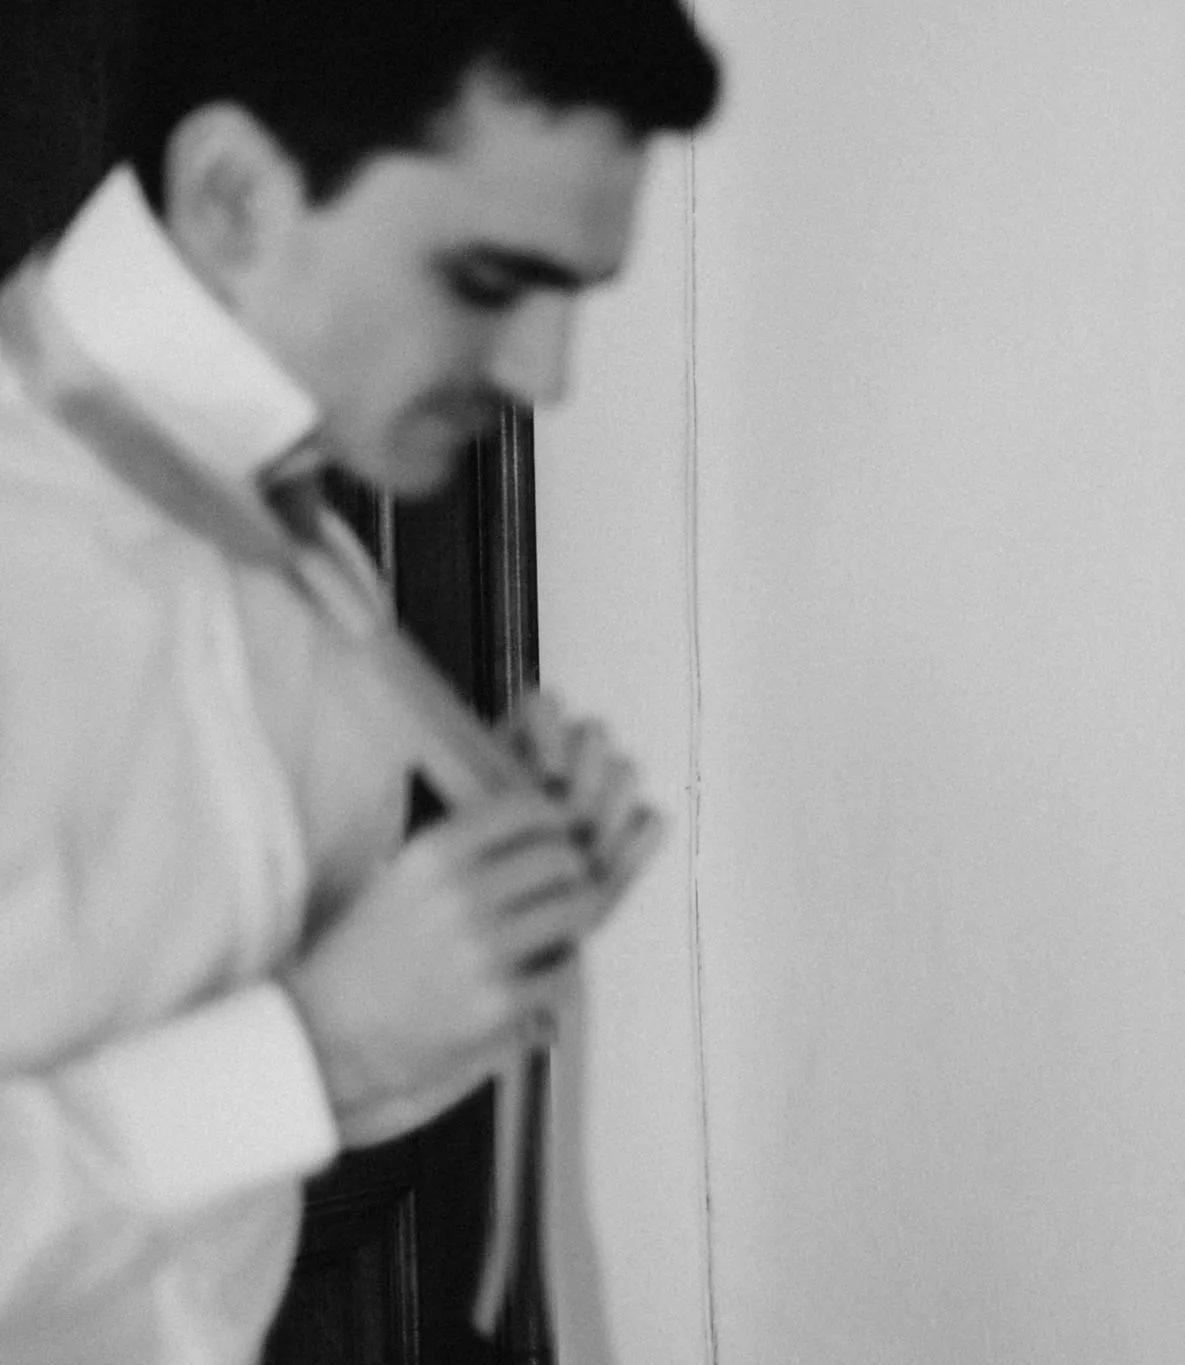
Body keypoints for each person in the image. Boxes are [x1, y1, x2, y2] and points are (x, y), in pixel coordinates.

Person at [0, 1, 718, 1360]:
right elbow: (283, 1063)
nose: (547, 374)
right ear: (233, 196)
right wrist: (310, 1048)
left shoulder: (306, 570)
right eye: (492, 282)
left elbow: (237, 1130)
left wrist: (470, 954)